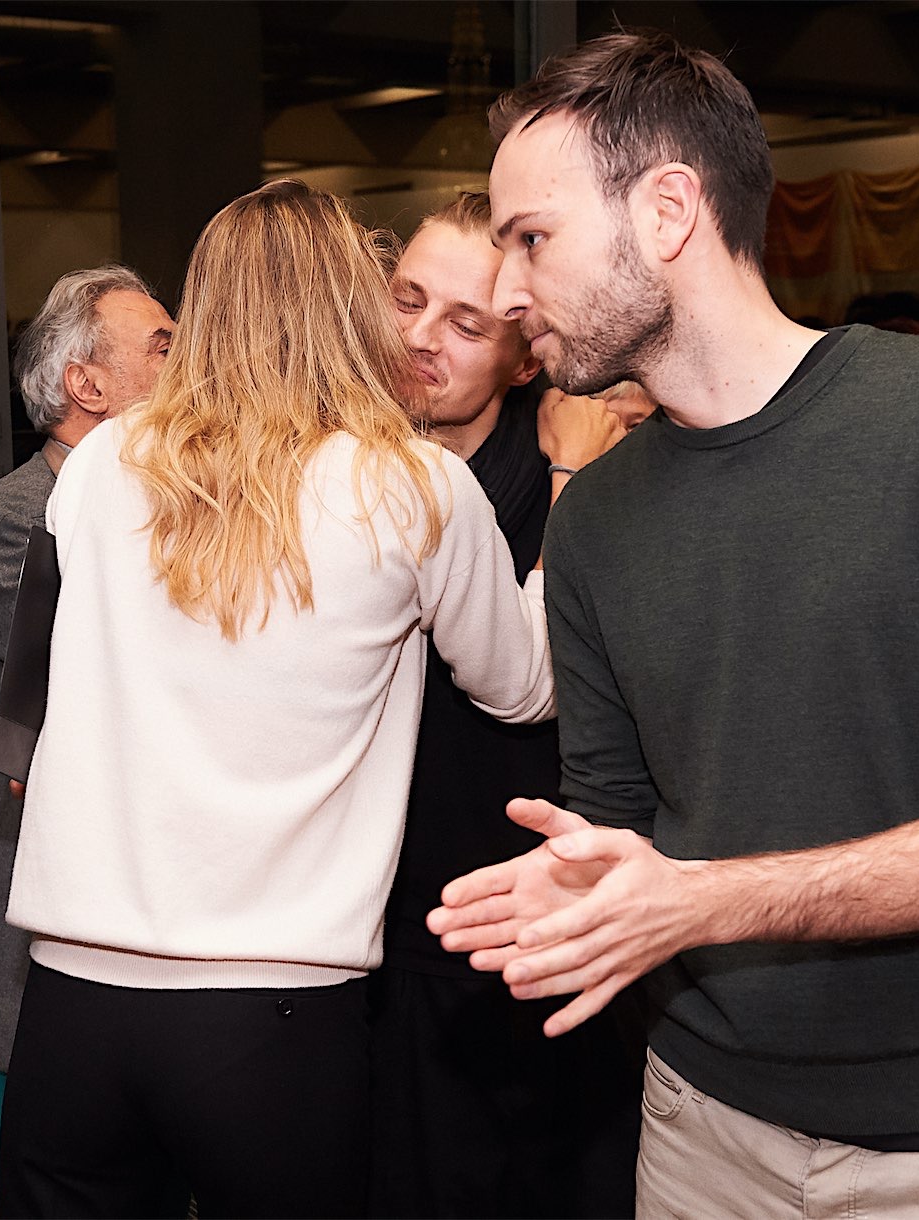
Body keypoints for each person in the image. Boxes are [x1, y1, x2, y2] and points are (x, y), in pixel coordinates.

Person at [430, 31, 919, 1219]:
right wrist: (584, 885)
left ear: (667, 211)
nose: (505, 291)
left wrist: (705, 898)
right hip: (698, 1131)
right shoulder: (592, 517)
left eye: (529, 239)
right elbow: (620, 817)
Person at [0, 180, 556, 1220]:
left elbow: (44, 679)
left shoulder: (104, 459)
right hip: (273, 1018)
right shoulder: (412, 485)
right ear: (352, 308)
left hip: (73, 1005)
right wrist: (568, 495)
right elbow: (524, 687)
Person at [369, 191, 639, 1219]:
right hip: (364, 936)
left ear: (524, 360)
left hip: (519, 927)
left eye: (466, 323)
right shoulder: (332, 473)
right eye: (407, 299)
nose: (420, 338)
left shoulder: (575, 478)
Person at [0, 263, 174, 1220]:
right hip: (41, 950)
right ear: (87, 384)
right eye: (163, 346)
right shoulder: (15, 523)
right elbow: (112, 709)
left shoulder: (148, 505)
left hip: (139, 936)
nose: (191, 363)